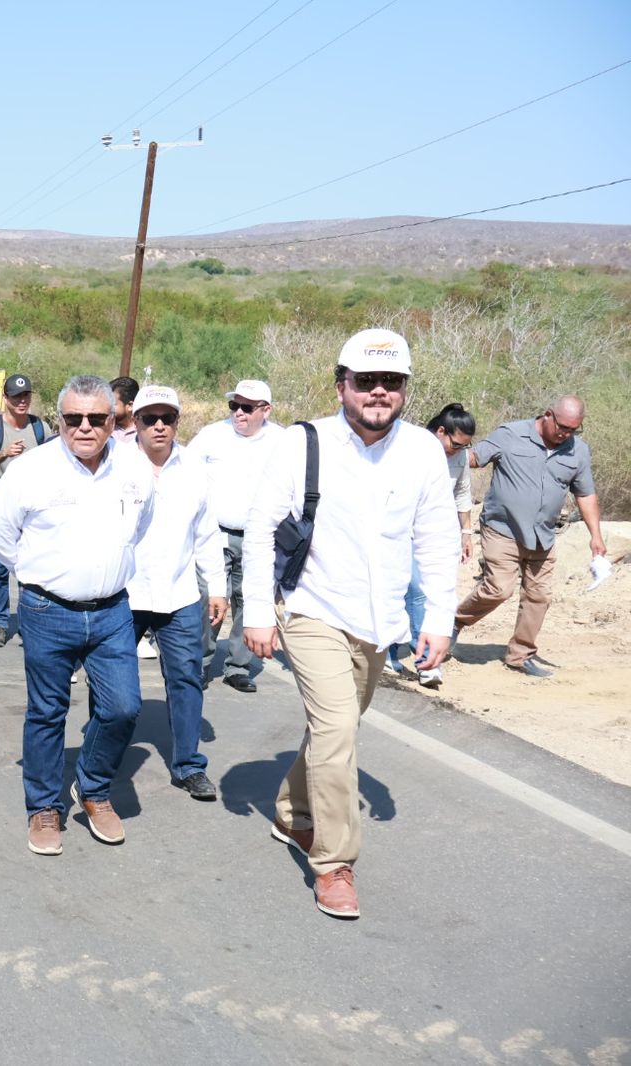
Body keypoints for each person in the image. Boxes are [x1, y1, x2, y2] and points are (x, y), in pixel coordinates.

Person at [243, 329, 459, 920]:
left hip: (379, 622)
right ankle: (335, 863)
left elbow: (438, 539)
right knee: (338, 728)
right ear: (342, 385)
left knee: (331, 731)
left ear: (406, 389)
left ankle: (291, 812)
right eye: (366, 381)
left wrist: (439, 618)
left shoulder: (421, 453)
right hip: (311, 609)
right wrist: (258, 610)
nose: (378, 392)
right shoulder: (301, 443)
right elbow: (262, 528)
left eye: (391, 382)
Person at [0, 375, 154, 857]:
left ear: (112, 420)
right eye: (73, 418)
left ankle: (94, 788)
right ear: (59, 420)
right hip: (46, 610)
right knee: (47, 712)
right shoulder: (30, 471)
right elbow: (0, 537)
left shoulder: (134, 470)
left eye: (97, 418)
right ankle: (43, 806)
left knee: (123, 707)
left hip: (112, 612)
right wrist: (41, 575)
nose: (85, 427)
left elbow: (142, 526)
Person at [454, 396, 606, 678]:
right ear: (548, 415)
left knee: (539, 596)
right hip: (503, 528)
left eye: (574, 430)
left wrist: (595, 535)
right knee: (499, 588)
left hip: (543, 536)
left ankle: (520, 655)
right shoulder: (510, 434)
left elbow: (585, 494)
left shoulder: (578, 452)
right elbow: (472, 458)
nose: (566, 434)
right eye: (562, 427)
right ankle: (454, 622)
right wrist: (444, 450)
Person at [125, 385, 225, 801]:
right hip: (124, 593)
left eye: (168, 418)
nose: (160, 426)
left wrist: (217, 587)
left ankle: (187, 766)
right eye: (150, 418)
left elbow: (206, 533)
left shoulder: (195, 470)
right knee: (114, 685)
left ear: (178, 423)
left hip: (180, 593)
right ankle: (106, 757)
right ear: (136, 422)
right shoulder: (114, 464)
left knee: (186, 678)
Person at [185, 378, 283, 693]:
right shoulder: (211, 436)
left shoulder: (282, 442)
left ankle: (238, 666)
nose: (238, 413)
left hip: (260, 538)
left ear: (265, 410)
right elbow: (185, 475)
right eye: (234, 405)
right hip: (214, 534)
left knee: (250, 600)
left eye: (247, 407)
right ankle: (198, 663)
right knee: (209, 599)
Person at [388, 403, 476, 685]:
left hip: (435, 533)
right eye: (455, 444)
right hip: (402, 530)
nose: (459, 450)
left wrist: (466, 532)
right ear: (440, 431)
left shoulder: (458, 457)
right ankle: (420, 658)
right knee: (409, 590)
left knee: (420, 591)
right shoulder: (412, 447)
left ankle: (418, 657)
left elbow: (462, 493)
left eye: (465, 446)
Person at [0, 373, 46, 648]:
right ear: (5, 399)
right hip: (3, 512)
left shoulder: (41, 428)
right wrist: (4, 453)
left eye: (26, 395)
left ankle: (29, 625)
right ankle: (0, 624)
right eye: (16, 396)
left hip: (36, 511)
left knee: (32, 570)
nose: (22, 401)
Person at [110, 376, 139, 447]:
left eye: (112, 403)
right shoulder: (104, 428)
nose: (107, 408)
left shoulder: (143, 430)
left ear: (130, 405)